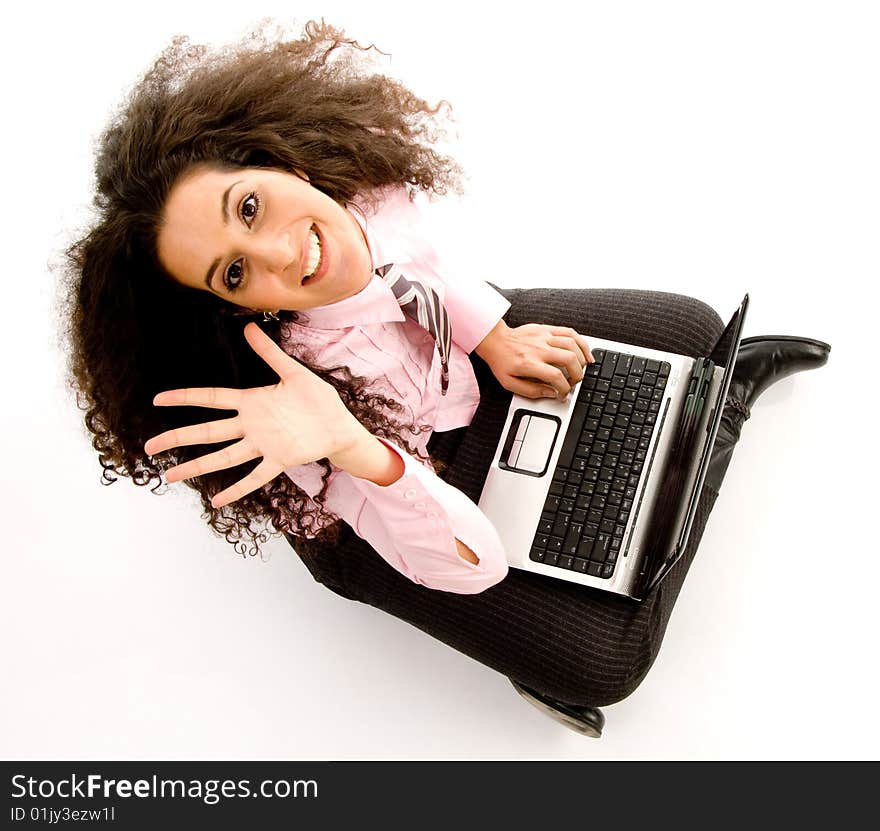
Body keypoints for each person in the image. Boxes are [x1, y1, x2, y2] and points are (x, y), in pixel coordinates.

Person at [59, 20, 830, 736]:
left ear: (273, 159)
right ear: (234, 311)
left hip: (455, 359)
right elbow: (464, 556)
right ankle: (708, 428)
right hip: (400, 489)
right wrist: (350, 441)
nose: (283, 255)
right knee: (605, 666)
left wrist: (493, 337)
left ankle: (711, 411)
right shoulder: (288, 422)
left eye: (251, 207)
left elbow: (420, 258)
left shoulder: (351, 185)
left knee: (693, 333)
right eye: (235, 272)